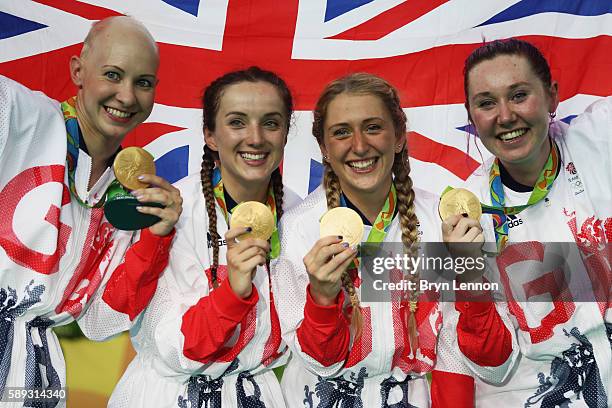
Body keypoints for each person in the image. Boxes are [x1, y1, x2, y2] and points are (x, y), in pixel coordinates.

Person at [0, 16, 181, 407]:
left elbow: (100, 322)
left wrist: (155, 239)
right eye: (113, 75)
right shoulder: (17, 113)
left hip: (36, 376)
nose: (127, 96)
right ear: (78, 71)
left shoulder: (131, 196)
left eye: (143, 83)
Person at [272, 73, 483, 407]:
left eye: (373, 127)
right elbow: (319, 361)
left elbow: (456, 355)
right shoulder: (299, 228)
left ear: (398, 136)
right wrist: (322, 300)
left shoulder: (440, 222)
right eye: (341, 132)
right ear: (324, 148)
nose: (359, 145)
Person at [109, 66, 301, 408]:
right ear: (210, 135)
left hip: (258, 395)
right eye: (237, 122)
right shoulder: (172, 215)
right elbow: (176, 347)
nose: (255, 137)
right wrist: (233, 293)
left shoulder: (299, 215)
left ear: (286, 133)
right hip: (169, 395)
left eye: (270, 123)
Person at [447, 38, 611, 407]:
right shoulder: (465, 218)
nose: (505, 116)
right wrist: (468, 272)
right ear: (471, 116)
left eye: (519, 95)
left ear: (552, 97)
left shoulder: (601, 141)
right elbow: (494, 368)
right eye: (487, 103)